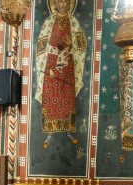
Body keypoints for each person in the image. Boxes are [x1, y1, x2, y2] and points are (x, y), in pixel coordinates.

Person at [35, 0, 87, 148]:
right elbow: (41, 47)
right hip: (51, 65)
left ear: (70, 4)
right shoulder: (49, 22)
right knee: (52, 98)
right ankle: (50, 134)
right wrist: (50, 66)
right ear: (54, 4)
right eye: (58, 1)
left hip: (68, 66)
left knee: (66, 98)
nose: (62, 4)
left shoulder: (73, 22)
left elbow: (82, 43)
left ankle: (68, 132)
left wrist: (72, 46)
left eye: (65, 1)